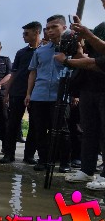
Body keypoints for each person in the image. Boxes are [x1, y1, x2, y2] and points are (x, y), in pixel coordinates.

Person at [63, 12, 105, 190]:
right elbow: (85, 52)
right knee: (89, 130)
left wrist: (68, 61)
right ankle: (87, 169)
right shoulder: (100, 26)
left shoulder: (95, 32)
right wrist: (80, 37)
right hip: (88, 87)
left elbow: (98, 57)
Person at [25, 15, 71, 173]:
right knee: (39, 129)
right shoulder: (41, 51)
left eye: (54, 27)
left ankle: (65, 162)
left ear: (64, 28)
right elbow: (33, 73)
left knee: (61, 130)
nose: (50, 31)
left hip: (60, 96)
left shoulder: (71, 49)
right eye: (48, 28)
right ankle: (43, 160)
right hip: (39, 95)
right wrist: (29, 94)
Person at [0, 21, 41, 164]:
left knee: (34, 125)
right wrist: (7, 93)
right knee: (12, 124)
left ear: (36, 32)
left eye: (26, 33)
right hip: (17, 92)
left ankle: (29, 155)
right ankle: (8, 154)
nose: (23, 36)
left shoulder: (44, 50)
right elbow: (13, 73)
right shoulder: (21, 52)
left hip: (37, 93)